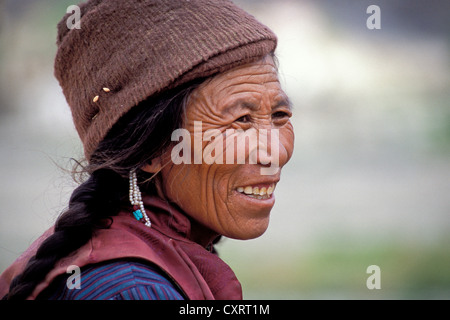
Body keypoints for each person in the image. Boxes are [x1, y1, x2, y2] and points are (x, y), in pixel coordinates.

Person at [0, 0, 294, 300]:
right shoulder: (134, 290)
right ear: (151, 151)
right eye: (241, 120)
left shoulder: (118, 261)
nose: (274, 153)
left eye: (280, 116)